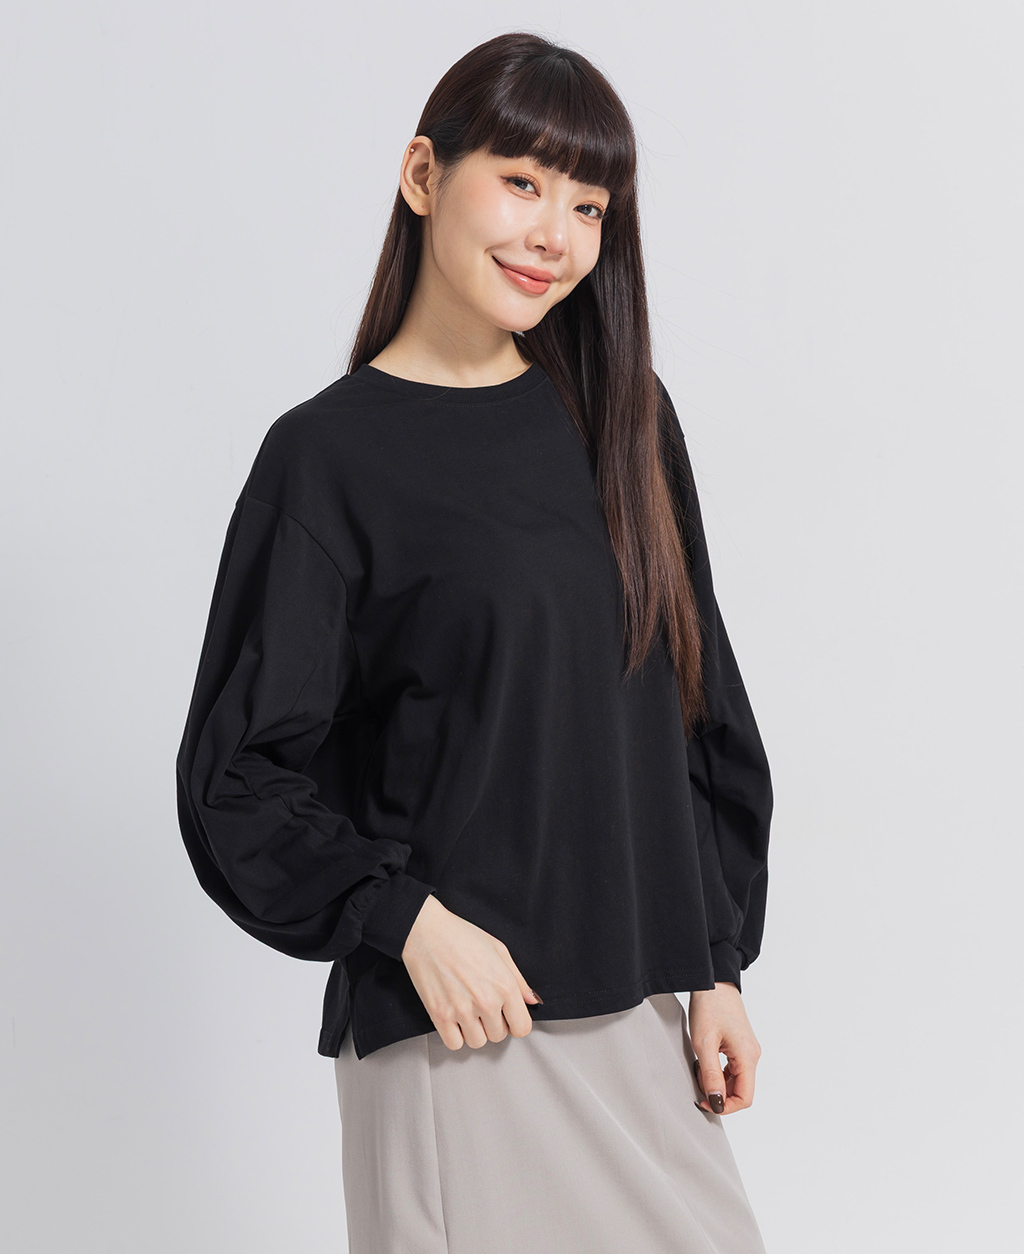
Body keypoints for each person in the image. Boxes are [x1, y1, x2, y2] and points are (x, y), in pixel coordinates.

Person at [175, 30, 773, 1254]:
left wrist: (714, 964)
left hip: (636, 1020)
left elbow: (694, 706)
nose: (555, 233)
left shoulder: (621, 419)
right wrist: (406, 920)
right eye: (521, 182)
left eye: (588, 204)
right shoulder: (327, 461)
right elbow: (234, 776)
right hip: (460, 1032)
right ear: (422, 176)